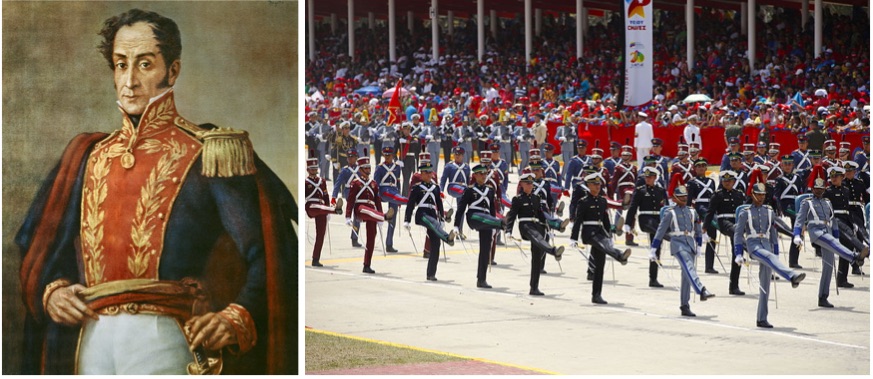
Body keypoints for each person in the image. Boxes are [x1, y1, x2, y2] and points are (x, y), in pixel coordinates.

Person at [16, 9, 294, 374]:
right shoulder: (85, 155)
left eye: (144, 64)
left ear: (172, 71)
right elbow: (42, 251)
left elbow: (272, 254)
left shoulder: (209, 153)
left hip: (165, 338)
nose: (129, 81)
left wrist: (233, 316)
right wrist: (53, 292)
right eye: (120, 64)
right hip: (87, 341)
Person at [735, 183, 807, 328]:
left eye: (763, 195)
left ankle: (762, 318)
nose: (761, 198)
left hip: (766, 244)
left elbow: (774, 232)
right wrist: (738, 253)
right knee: (767, 257)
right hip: (754, 245)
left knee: (765, 286)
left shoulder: (769, 211)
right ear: (752, 195)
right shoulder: (745, 212)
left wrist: (777, 251)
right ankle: (792, 276)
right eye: (758, 195)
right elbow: (738, 234)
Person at [793, 177, 869, 308]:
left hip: (827, 231)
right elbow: (799, 220)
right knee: (832, 243)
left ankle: (823, 297)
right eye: (816, 189)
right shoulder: (807, 202)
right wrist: (796, 235)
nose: (819, 192)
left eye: (821, 189)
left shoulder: (827, 202)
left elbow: (833, 222)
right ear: (812, 189)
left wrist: (836, 236)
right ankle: (854, 258)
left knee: (828, 267)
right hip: (816, 231)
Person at [650, 185, 716, 317]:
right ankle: (701, 289)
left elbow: (697, 229)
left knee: (686, 275)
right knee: (689, 266)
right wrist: (653, 248)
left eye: (685, 197)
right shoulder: (670, 212)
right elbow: (660, 231)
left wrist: (699, 246)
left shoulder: (692, 211)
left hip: (690, 244)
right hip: (678, 244)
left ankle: (684, 305)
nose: (684, 199)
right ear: (675, 198)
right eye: (680, 197)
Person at [570, 173, 632, 304]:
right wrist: (573, 238)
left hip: (601, 233)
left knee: (600, 266)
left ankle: (596, 295)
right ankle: (620, 255)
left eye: (599, 184)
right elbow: (578, 220)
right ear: (588, 185)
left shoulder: (602, 201)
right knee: (602, 245)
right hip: (589, 233)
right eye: (594, 184)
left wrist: (610, 235)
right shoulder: (583, 202)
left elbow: (605, 221)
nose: (597, 187)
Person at [504, 170, 565, 296]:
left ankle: (534, 287)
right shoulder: (517, 199)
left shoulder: (536, 198)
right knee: (537, 237)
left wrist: (548, 227)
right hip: (526, 226)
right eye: (528, 183)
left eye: (531, 183)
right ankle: (553, 251)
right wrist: (508, 231)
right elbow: (512, 216)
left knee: (536, 257)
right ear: (522, 184)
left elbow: (541, 214)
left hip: (538, 225)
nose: (530, 185)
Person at [404, 162, 458, 281]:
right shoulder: (417, 188)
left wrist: (442, 219)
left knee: (436, 245)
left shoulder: (436, 188)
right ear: (422, 174)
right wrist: (407, 220)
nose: (430, 174)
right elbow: (410, 205)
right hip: (422, 214)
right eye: (427, 172)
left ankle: (431, 274)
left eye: (431, 172)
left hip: (433, 214)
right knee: (433, 223)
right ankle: (448, 238)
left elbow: (439, 204)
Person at [454, 164, 505, 289]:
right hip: (474, 217)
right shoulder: (469, 190)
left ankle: (481, 279)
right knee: (481, 217)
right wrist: (456, 225)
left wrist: (494, 225)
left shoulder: (490, 190)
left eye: (485, 174)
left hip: (488, 221)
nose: (483, 176)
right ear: (475, 175)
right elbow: (461, 209)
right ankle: (502, 223)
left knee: (485, 250)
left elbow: (492, 210)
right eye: (481, 174)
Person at [822, 167, 869, 288]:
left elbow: (848, 208)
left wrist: (852, 221)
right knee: (849, 234)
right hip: (835, 219)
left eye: (836, 177)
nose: (833, 179)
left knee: (845, 248)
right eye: (832, 177)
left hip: (847, 218)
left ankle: (842, 279)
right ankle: (862, 249)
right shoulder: (827, 191)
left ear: (842, 177)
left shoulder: (846, 190)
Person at [346, 157, 392, 274]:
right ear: (360, 169)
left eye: (369, 167)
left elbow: (377, 201)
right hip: (360, 209)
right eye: (365, 168)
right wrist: (347, 216)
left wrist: (380, 215)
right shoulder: (355, 183)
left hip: (373, 212)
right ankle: (384, 217)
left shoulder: (373, 184)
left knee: (371, 237)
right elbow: (351, 200)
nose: (368, 170)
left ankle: (367, 264)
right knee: (367, 210)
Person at [704, 170, 747, 296]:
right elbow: (710, 212)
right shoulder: (717, 195)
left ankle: (734, 286)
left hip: (737, 223)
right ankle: (749, 248)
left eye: (729, 181)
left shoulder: (739, 194)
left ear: (734, 182)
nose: (727, 183)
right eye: (725, 181)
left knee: (737, 256)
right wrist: (705, 228)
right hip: (724, 223)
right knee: (736, 234)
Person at [625, 167, 668, 287]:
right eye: (646, 177)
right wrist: (628, 223)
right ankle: (671, 238)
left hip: (658, 220)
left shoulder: (660, 190)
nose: (647, 179)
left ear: (655, 178)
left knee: (656, 248)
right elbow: (633, 207)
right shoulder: (640, 190)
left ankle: (653, 278)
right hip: (645, 220)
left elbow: (666, 207)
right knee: (661, 233)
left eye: (650, 177)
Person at [306, 157, 343, 267]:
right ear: (308, 170)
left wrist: (327, 209)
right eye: (312, 169)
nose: (314, 171)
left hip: (322, 207)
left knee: (321, 234)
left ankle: (316, 258)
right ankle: (335, 210)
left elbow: (325, 195)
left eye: (315, 169)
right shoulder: (305, 182)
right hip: (311, 206)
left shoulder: (321, 181)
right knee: (318, 207)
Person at [686, 158, 719, 273]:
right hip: (700, 208)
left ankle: (709, 266)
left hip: (711, 208)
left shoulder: (711, 181)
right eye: (698, 166)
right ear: (695, 168)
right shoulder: (692, 182)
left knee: (712, 236)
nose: (700, 168)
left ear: (706, 168)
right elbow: (689, 200)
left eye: (703, 165)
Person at [374, 147, 408, 253]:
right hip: (384, 191)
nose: (387, 157)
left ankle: (389, 243)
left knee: (392, 218)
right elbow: (376, 184)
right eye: (385, 155)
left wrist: (399, 194)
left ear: (393, 156)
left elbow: (398, 182)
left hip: (394, 191)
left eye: (389, 155)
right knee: (398, 199)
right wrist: (377, 197)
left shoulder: (397, 168)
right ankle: (410, 201)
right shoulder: (379, 168)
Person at [773, 155, 805, 268]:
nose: (787, 166)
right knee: (798, 224)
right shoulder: (779, 179)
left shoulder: (798, 178)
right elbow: (776, 196)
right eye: (785, 164)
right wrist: (779, 208)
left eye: (789, 164)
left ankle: (793, 260)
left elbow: (801, 193)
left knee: (799, 231)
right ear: (781, 165)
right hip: (786, 206)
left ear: (793, 165)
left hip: (796, 204)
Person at [333, 149, 362, 247]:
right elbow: (338, 183)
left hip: (360, 192)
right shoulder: (345, 170)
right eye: (349, 157)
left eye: (352, 157)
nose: (350, 159)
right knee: (356, 213)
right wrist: (334, 196)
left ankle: (355, 237)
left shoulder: (360, 169)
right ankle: (354, 238)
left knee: (357, 216)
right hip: (349, 192)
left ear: (356, 158)